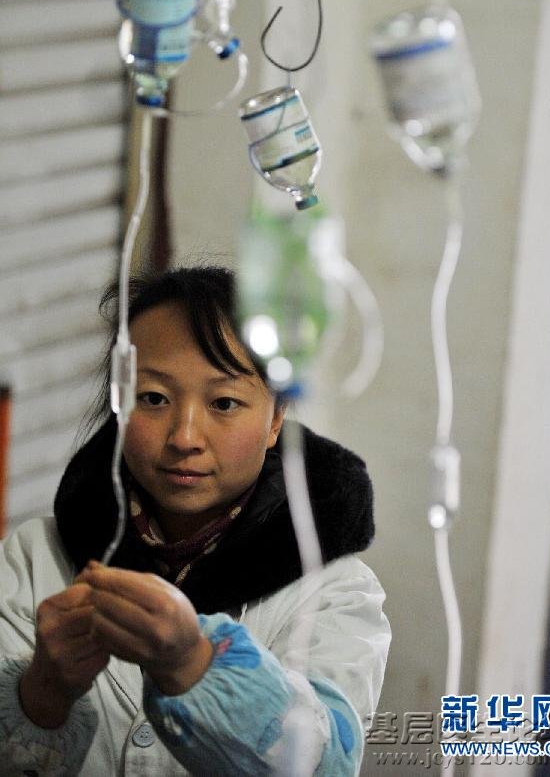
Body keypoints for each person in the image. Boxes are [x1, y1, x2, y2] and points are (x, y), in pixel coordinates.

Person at [0, 265, 391, 776]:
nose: (184, 437)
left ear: (275, 417)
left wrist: (194, 664)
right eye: (153, 398)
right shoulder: (32, 559)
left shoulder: (336, 593)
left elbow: (326, 763)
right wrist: (43, 692)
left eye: (224, 402)